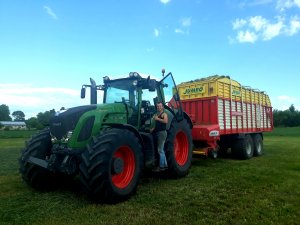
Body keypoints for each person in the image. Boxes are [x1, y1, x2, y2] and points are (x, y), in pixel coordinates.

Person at [151, 102, 168, 171]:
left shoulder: (164, 114)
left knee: (160, 150)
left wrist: (157, 119)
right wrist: (152, 129)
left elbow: (165, 121)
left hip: (162, 133)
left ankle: (161, 167)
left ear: (162, 107)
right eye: (157, 106)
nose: (159, 107)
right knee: (161, 150)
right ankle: (165, 165)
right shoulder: (156, 114)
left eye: (160, 106)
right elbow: (157, 125)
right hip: (158, 132)